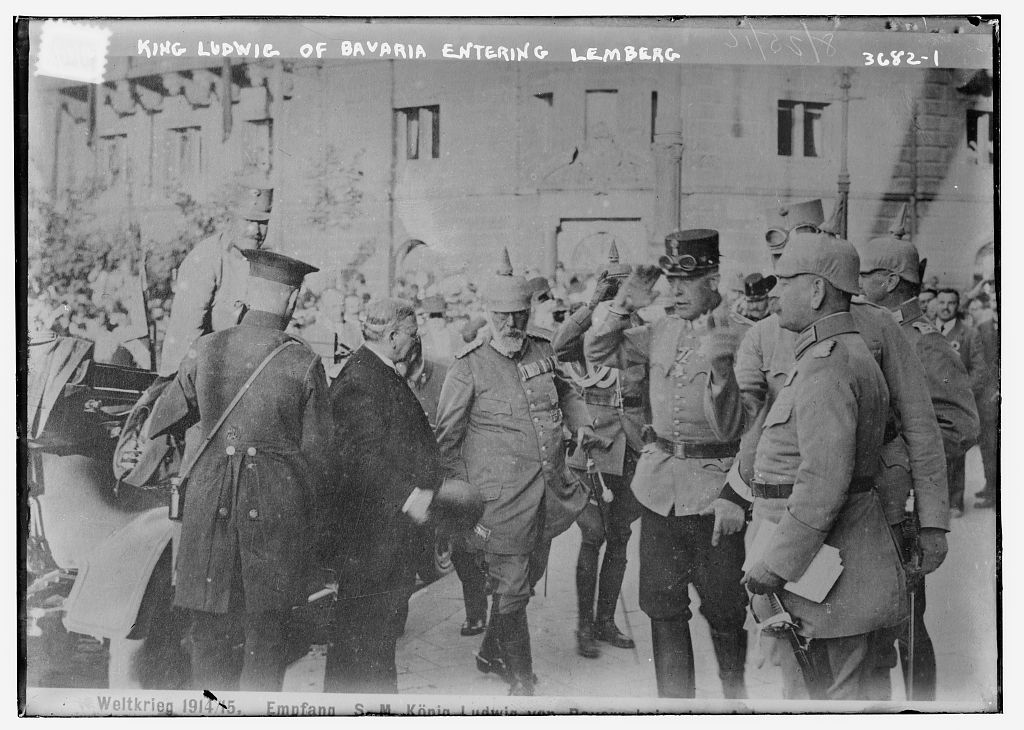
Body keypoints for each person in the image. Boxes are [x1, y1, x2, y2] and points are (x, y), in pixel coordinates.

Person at [148, 249, 331, 691]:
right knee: (266, 641)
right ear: (290, 301)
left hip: (208, 513)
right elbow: (322, 461)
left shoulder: (206, 348)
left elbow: (162, 420)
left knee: (209, 636)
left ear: (248, 295)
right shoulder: (302, 361)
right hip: (273, 516)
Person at [742, 232, 906, 700]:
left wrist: (777, 564)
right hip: (835, 568)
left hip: (827, 576)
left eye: (785, 280)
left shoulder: (828, 365)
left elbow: (822, 483)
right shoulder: (835, 354)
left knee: (824, 701)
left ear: (816, 291)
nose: (773, 293)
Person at [585, 230, 748, 699]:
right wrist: (623, 303)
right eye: (669, 283)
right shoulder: (660, 330)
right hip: (659, 493)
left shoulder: (744, 334)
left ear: (713, 280)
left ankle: (735, 700)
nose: (673, 293)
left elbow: (750, 424)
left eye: (685, 283)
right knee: (662, 607)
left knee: (724, 611)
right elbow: (596, 351)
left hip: (716, 494)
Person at [435, 249, 598, 696]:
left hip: (547, 493)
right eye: (501, 317)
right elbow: (447, 442)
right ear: (487, 315)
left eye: (518, 315)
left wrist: (580, 421)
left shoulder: (543, 350)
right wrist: (462, 504)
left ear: (528, 312)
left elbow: (566, 390)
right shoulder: (468, 366)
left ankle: (490, 653)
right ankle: (522, 683)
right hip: (497, 502)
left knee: (530, 576)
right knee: (510, 588)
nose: (511, 326)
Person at [856, 232, 980, 700]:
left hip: (902, 501)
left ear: (889, 281)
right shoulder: (872, 327)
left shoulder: (922, 341)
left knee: (907, 623)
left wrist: (899, 458)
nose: (858, 281)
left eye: (865, 274)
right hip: (870, 498)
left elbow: (962, 425)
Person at [321, 298, 443, 695]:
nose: (416, 338)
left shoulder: (376, 371)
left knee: (371, 643)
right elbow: (360, 457)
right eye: (412, 332)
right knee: (364, 641)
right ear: (392, 336)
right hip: (372, 540)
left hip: (381, 539)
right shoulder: (363, 378)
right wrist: (410, 496)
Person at [552, 241, 644, 659]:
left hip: (633, 450)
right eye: (612, 290)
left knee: (621, 537)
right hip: (592, 449)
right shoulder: (589, 332)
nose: (618, 297)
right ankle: (583, 627)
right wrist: (592, 305)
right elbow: (559, 345)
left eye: (624, 290)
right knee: (593, 534)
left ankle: (606, 620)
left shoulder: (645, 331)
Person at [158, 178, 274, 377]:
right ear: (230, 220)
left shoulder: (264, 263)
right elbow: (187, 338)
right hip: (200, 375)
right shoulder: (206, 260)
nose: (255, 231)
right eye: (248, 221)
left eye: (262, 223)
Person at [934, 287, 987, 515]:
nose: (946, 307)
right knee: (929, 451)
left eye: (951, 303)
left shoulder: (968, 333)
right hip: (929, 401)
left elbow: (980, 369)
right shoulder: (925, 330)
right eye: (942, 302)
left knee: (955, 452)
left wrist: (963, 393)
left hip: (955, 404)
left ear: (958, 306)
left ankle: (955, 501)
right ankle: (933, 503)